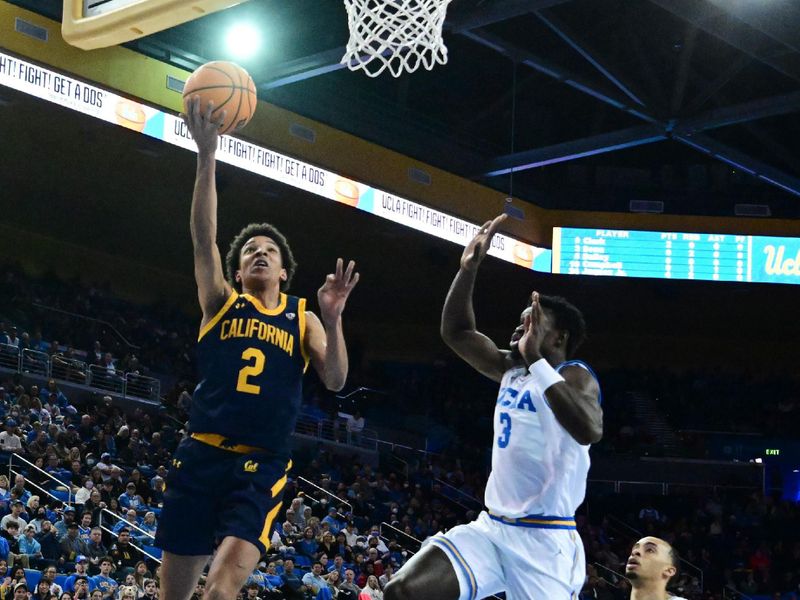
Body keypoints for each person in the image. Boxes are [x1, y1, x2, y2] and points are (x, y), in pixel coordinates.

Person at [156, 96, 360, 600]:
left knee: (222, 590)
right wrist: (207, 155)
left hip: (260, 466)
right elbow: (204, 237)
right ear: (240, 271)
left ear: (284, 272)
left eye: (269, 250)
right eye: (251, 251)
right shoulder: (221, 302)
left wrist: (333, 322)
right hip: (200, 454)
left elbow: (335, 379)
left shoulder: (303, 316)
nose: (260, 254)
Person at [384, 215, 603, 600]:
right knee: (403, 591)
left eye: (530, 323)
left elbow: (589, 429)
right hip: (492, 529)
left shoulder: (574, 375)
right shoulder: (509, 368)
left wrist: (536, 361)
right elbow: (457, 332)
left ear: (559, 337)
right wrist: (468, 270)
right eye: (519, 325)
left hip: (545, 541)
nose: (518, 332)